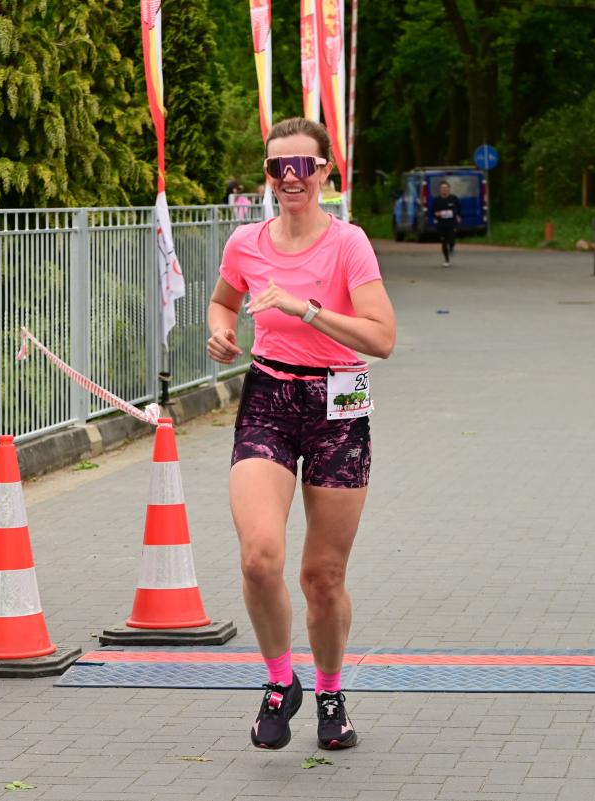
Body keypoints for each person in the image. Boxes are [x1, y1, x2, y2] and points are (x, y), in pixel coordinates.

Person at [206, 117, 396, 752]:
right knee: (259, 557)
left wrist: (306, 309)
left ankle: (331, 694)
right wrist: (220, 331)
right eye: (277, 167)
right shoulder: (246, 243)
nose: (290, 178)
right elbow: (223, 301)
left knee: (323, 575)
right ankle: (280, 681)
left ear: (324, 172)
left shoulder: (349, 244)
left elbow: (383, 339)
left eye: (302, 166)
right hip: (269, 397)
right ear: (267, 174)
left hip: (340, 404)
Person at [430, 180, 461, 267]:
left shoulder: (453, 198)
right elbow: (433, 211)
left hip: (452, 223)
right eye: (442, 188)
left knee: (451, 239)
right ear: (440, 189)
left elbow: (458, 208)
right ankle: (446, 260)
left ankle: (451, 247)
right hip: (441, 224)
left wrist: (458, 216)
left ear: (449, 189)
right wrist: (437, 214)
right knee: (443, 241)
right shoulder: (436, 200)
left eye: (446, 188)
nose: (444, 189)